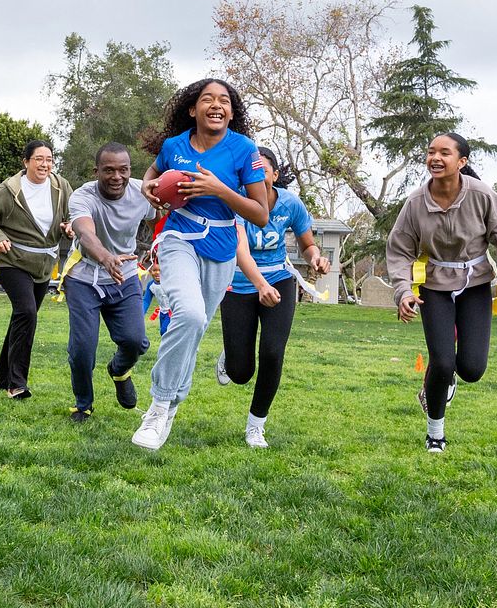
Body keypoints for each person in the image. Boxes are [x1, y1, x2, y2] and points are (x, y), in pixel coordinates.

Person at [131, 78, 269, 450]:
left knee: (194, 332)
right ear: (192, 109)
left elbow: (260, 214)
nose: (216, 105)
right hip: (178, 237)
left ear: (231, 111)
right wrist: (148, 186)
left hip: (222, 246)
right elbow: (153, 174)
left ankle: (172, 405)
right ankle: (158, 407)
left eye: (224, 100)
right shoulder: (174, 146)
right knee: (188, 316)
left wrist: (220, 190)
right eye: (207, 99)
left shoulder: (244, 150)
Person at [386, 132, 497, 453]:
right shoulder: (416, 203)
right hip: (434, 286)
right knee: (442, 361)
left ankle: (448, 375)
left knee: (472, 369)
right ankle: (435, 433)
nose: (435, 157)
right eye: (431, 151)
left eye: (444, 153)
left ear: (462, 161)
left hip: (475, 285)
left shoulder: (482, 196)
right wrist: (403, 291)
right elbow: (400, 248)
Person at [216, 148, 330, 448]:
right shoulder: (235, 200)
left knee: (272, 352)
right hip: (238, 284)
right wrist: (259, 283)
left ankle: (256, 425)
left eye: (263, 169)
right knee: (240, 373)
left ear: (275, 175)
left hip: (279, 279)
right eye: (251, 170)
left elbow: (307, 244)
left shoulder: (290, 203)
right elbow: (239, 251)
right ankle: (231, 355)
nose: (256, 175)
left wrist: (316, 257)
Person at [62, 142, 156, 422]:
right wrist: (105, 257)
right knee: (82, 349)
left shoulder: (142, 192)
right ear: (96, 171)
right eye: (109, 170)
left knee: (135, 341)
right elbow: (84, 232)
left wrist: (161, 248)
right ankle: (83, 404)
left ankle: (119, 369)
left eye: (123, 170)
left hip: (124, 276)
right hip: (84, 277)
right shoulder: (82, 196)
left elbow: (158, 217)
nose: (117, 177)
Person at [0, 140, 72, 399]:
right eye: (39, 159)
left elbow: (72, 215)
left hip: (43, 264)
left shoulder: (61, 187)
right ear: (26, 161)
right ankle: (17, 384)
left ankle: (0, 376)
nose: (45, 164)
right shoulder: (8, 191)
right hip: (11, 260)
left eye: (49, 159)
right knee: (26, 312)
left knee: (23, 318)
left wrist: (69, 226)